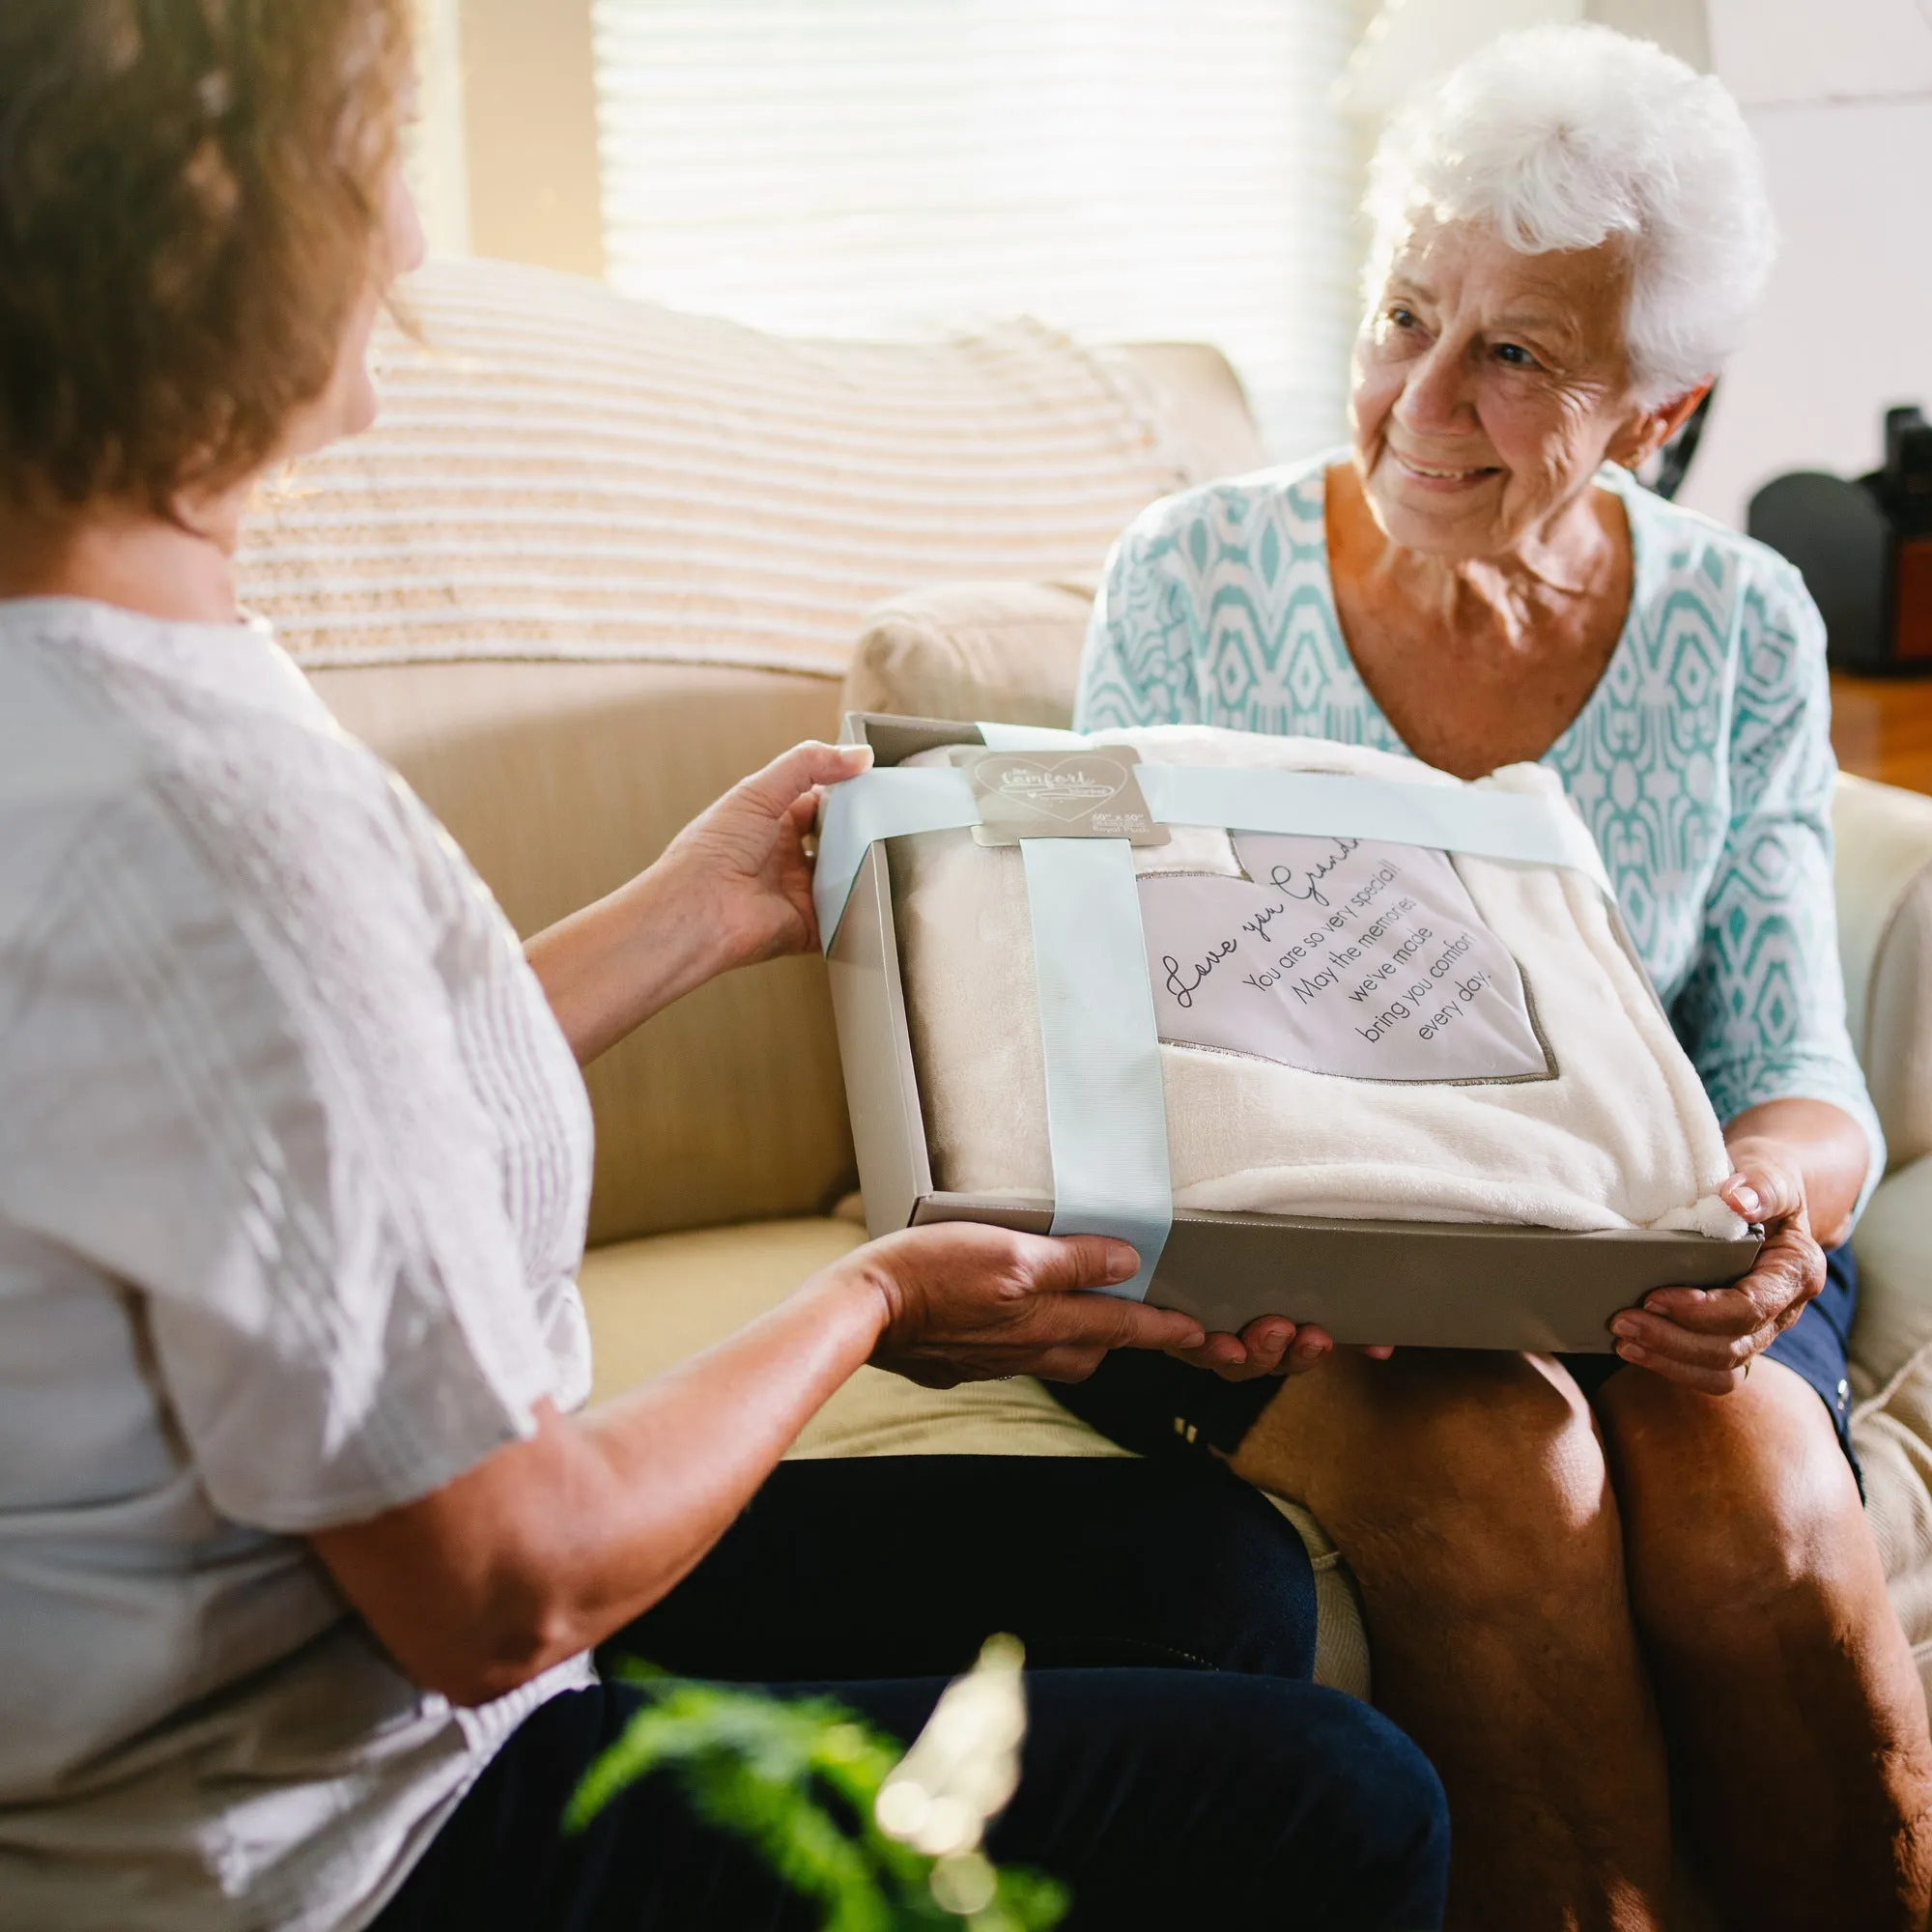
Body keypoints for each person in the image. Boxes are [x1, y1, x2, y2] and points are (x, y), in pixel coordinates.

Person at [0, 5, 1452, 1930]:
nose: (412, 248)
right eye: (375, 166)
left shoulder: (109, 669)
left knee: (1213, 1575)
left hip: (281, 1681)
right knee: (1342, 1812)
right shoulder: (208, 832)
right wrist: (871, 1300)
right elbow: (506, 1585)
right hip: (333, 1847)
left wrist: (691, 914)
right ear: (199, 232)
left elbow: (281, 1120)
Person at [1064, 24, 1932, 1932]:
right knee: (1497, 1471)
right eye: (1400, 316)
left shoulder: (1737, 621)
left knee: (1761, 1507)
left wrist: (1775, 1206)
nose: (1413, 398)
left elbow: (1787, 1049)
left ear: (1654, 410)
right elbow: (1096, 1013)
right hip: (1276, 1265)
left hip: (1623, 1254)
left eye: (1513, 351)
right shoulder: (1188, 581)